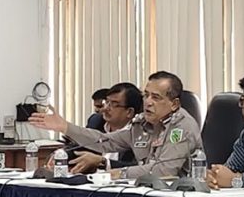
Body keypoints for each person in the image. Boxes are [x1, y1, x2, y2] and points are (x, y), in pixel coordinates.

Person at [29, 71, 201, 179]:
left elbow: (165, 171)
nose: (148, 102)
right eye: (146, 95)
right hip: (146, 193)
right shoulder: (141, 123)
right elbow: (104, 141)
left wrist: (119, 173)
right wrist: (65, 127)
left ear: (174, 104)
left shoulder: (182, 127)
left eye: (155, 97)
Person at [66, 82, 142, 173]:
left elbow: (139, 167)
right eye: (106, 102)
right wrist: (62, 154)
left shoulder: (140, 133)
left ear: (129, 112)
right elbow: (78, 147)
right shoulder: (96, 122)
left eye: (113, 104)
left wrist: (103, 162)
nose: (105, 108)